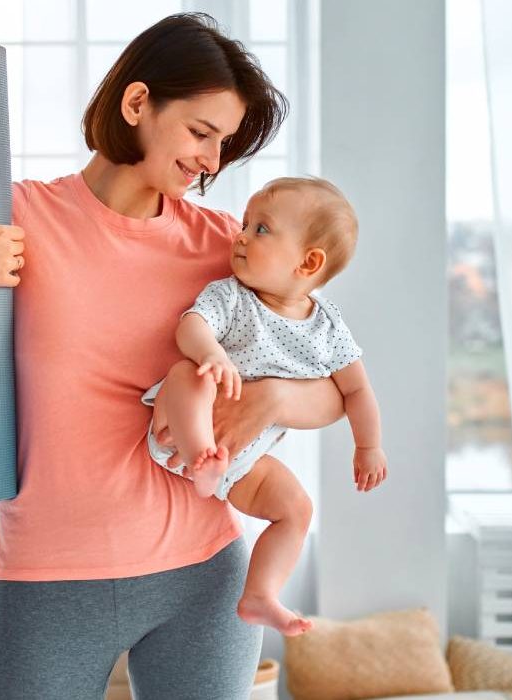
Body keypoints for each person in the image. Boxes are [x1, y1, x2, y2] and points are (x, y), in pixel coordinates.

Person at [0, 13, 348, 700]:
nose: (210, 161)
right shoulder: (21, 219)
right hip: (47, 581)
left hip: (204, 574)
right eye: (201, 132)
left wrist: (276, 398)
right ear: (137, 103)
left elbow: (336, 384)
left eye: (224, 144)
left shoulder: (226, 246)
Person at [141, 176, 387, 638]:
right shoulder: (232, 296)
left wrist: (368, 447)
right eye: (247, 223)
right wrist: (211, 353)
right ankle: (200, 459)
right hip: (183, 427)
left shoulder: (328, 326)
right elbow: (192, 326)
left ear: (308, 262)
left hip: (244, 461)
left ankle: (261, 594)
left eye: (261, 229)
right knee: (186, 374)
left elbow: (355, 391)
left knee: (296, 509)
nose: (241, 234)